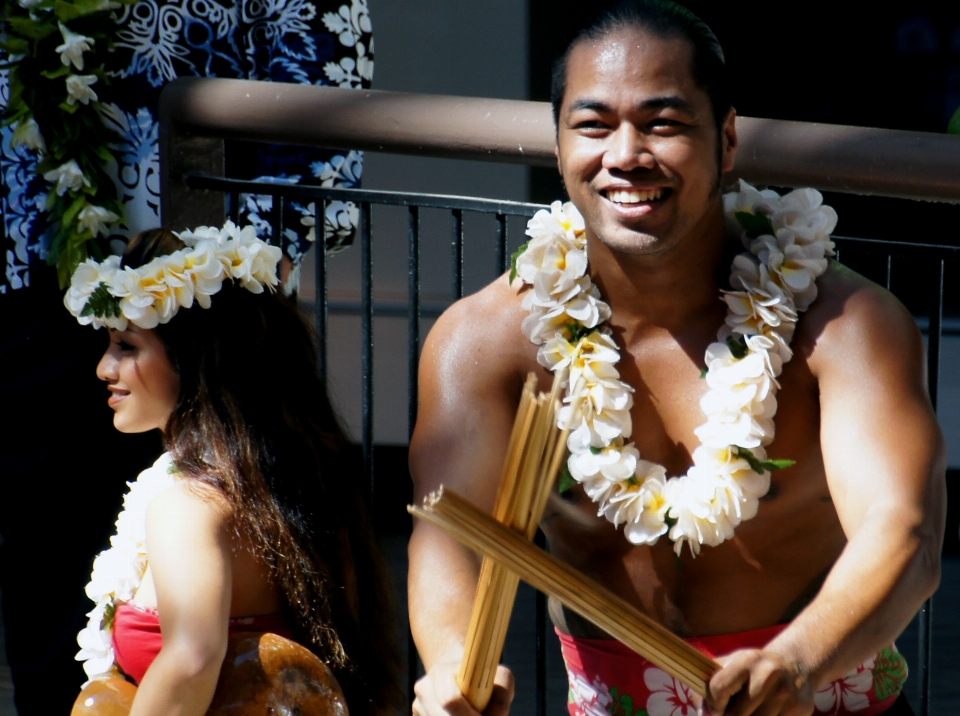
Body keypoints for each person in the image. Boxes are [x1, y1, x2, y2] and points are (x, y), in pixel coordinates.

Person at [407, 2, 945, 716]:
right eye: (593, 126)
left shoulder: (844, 325)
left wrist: (797, 659)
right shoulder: (486, 341)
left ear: (727, 140)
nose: (625, 155)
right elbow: (449, 536)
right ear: (560, 142)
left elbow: (903, 530)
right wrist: (449, 664)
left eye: (662, 123)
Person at [65, 224, 401, 716]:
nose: (104, 368)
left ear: (197, 360)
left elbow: (192, 659)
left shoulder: (189, 505)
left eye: (127, 346)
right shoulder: (288, 484)